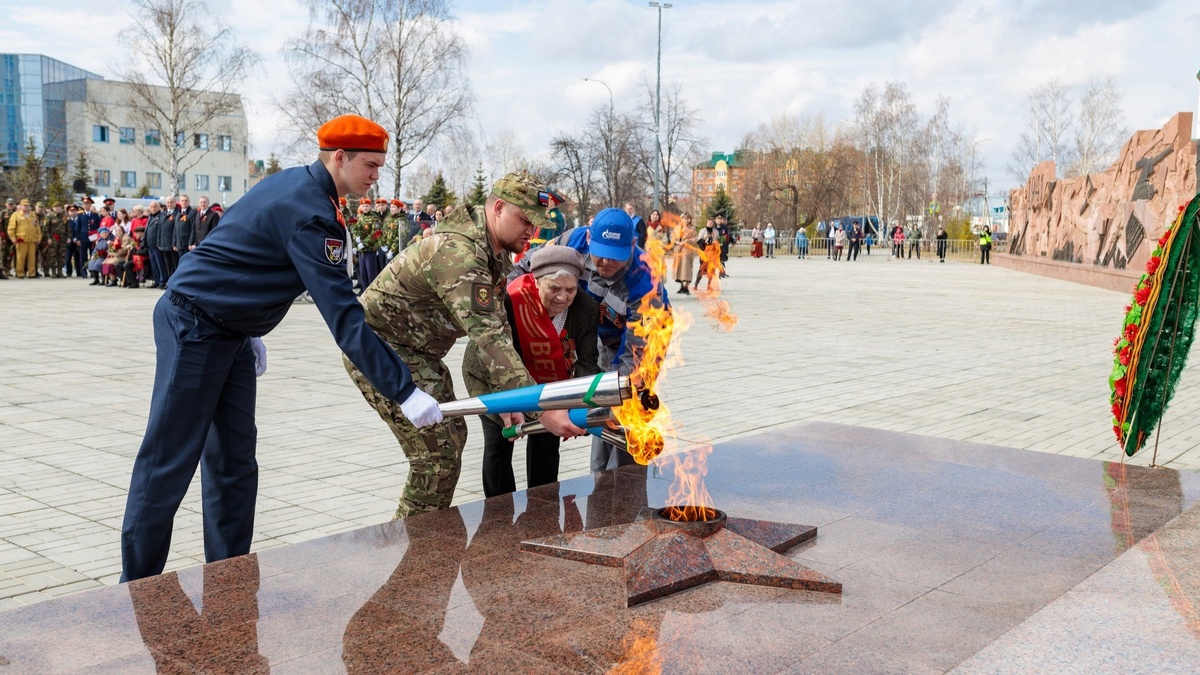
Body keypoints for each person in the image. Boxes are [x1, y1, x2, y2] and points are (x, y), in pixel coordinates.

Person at [119, 114, 443, 582]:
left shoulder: (295, 187)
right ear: (339, 158)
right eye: (370, 165)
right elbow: (345, 319)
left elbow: (238, 244)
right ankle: (134, 590)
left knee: (234, 461)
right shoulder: (311, 213)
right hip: (193, 324)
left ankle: (229, 577)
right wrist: (404, 391)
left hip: (226, 329)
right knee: (168, 461)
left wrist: (246, 324)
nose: (376, 176)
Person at [347, 172, 585, 518]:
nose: (531, 232)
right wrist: (542, 408)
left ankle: (422, 536)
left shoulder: (490, 251)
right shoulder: (460, 253)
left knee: (451, 438)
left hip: (418, 354)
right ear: (498, 208)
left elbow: (498, 327)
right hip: (380, 350)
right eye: (525, 220)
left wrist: (511, 399)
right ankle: (413, 542)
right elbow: (487, 336)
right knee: (436, 455)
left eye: (536, 225)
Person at [515, 207, 671, 472]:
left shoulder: (646, 282)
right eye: (601, 255)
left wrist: (620, 394)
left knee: (624, 407)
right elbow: (525, 267)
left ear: (633, 245)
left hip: (637, 343)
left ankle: (627, 486)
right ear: (588, 239)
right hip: (596, 336)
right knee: (598, 408)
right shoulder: (571, 243)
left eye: (615, 257)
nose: (606, 263)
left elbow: (638, 357)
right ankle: (598, 482)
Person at [463, 246, 599, 497]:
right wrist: (508, 401)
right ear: (536, 282)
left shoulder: (586, 308)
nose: (563, 297)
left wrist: (578, 405)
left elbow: (588, 363)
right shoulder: (511, 299)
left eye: (570, 289)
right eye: (554, 288)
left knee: (547, 440)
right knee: (501, 440)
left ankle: (542, 508)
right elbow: (490, 352)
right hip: (491, 375)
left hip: (548, 383)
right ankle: (500, 514)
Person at [6, 199, 41, 279]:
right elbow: (11, 228)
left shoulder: (33, 215)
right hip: (21, 240)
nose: (26, 207)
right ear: (21, 206)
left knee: (32, 258)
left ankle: (32, 274)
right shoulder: (16, 215)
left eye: (27, 205)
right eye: (24, 205)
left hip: (32, 240)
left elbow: (37, 227)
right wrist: (13, 238)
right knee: (20, 258)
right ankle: (20, 273)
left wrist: (39, 238)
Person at [672, 212, 697, 295]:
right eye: (684, 218)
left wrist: (686, 241)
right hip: (678, 250)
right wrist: (676, 242)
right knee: (679, 268)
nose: (686, 220)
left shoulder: (692, 228)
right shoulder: (677, 227)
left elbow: (694, 238)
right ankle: (681, 286)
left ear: (690, 219)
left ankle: (687, 286)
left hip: (687, 250)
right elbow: (673, 237)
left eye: (687, 218)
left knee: (687, 268)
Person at [41, 204, 68, 278]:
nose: (58, 208)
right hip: (53, 239)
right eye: (56, 207)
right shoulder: (49, 216)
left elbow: (68, 227)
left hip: (62, 239)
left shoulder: (64, 216)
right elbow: (45, 229)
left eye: (59, 207)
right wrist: (48, 238)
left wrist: (69, 237)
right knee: (52, 255)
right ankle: (53, 272)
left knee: (62, 255)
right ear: (53, 208)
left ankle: (60, 272)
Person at [695, 219, 718, 290]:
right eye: (708, 222)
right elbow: (698, 241)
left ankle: (709, 285)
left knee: (712, 269)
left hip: (713, 252)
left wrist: (715, 242)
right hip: (705, 251)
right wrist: (705, 237)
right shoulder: (703, 231)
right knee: (702, 268)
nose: (710, 224)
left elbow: (718, 240)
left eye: (711, 223)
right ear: (706, 223)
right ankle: (696, 284)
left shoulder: (715, 231)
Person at [172, 194, 196, 259]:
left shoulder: (192, 213)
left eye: (186, 201)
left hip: (187, 244)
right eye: (182, 201)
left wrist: (190, 243)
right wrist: (174, 243)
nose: (184, 202)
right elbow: (175, 229)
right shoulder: (178, 213)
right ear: (179, 202)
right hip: (179, 244)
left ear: (189, 202)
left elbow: (193, 229)